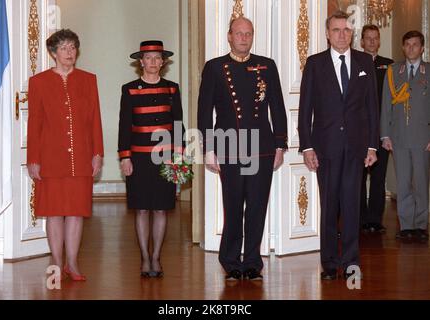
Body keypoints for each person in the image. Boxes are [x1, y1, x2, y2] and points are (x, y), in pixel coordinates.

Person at [198, 17, 288, 281]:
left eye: (248, 33)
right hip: (229, 147)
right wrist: (208, 147)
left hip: (262, 147)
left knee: (258, 206)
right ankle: (229, 259)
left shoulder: (267, 66)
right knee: (234, 206)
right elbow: (205, 111)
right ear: (229, 36)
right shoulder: (215, 67)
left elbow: (277, 107)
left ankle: (252, 261)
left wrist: (280, 144)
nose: (244, 38)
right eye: (239, 33)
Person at [298, 11, 378, 281]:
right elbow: (305, 108)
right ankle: (330, 263)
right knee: (329, 206)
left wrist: (372, 146)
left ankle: (351, 261)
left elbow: (372, 109)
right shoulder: (315, 63)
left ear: (352, 33)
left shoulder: (365, 61)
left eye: (346, 30)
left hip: (356, 148)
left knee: (353, 206)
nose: (342, 34)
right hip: (326, 148)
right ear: (327, 33)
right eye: (336, 30)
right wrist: (307, 147)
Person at [27, 29, 104, 281]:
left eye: (73, 47)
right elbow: (35, 123)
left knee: (76, 211)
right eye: (64, 48)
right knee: (54, 211)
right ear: (53, 53)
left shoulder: (88, 79)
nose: (69, 53)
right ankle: (57, 262)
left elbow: (95, 120)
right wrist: (33, 158)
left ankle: (72, 262)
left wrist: (97, 153)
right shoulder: (38, 82)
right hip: (51, 157)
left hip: (81, 156)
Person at [118, 40, 185, 278]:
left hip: (165, 158)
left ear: (163, 62)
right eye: (149, 58)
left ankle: (156, 256)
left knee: (161, 209)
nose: (153, 62)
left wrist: (178, 155)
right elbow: (124, 126)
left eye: (158, 58)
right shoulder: (129, 89)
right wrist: (125, 157)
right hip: (138, 158)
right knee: (142, 209)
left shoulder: (172, 88)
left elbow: (178, 124)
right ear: (141, 62)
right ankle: (144, 257)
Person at [381, 30, 430, 241]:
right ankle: (406, 225)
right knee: (402, 183)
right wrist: (385, 135)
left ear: (422, 48)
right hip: (399, 136)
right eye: (407, 44)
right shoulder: (393, 71)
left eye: (415, 45)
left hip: (423, 138)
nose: (411, 48)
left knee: (421, 181)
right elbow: (385, 106)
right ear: (403, 47)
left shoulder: (428, 72)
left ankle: (420, 225)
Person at [359, 25, 394, 233]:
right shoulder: (355, 62)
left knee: (379, 178)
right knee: (359, 178)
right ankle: (361, 219)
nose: (372, 42)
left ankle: (375, 220)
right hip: (360, 132)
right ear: (362, 41)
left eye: (375, 38)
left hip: (382, 131)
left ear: (379, 41)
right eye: (368, 38)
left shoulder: (389, 66)